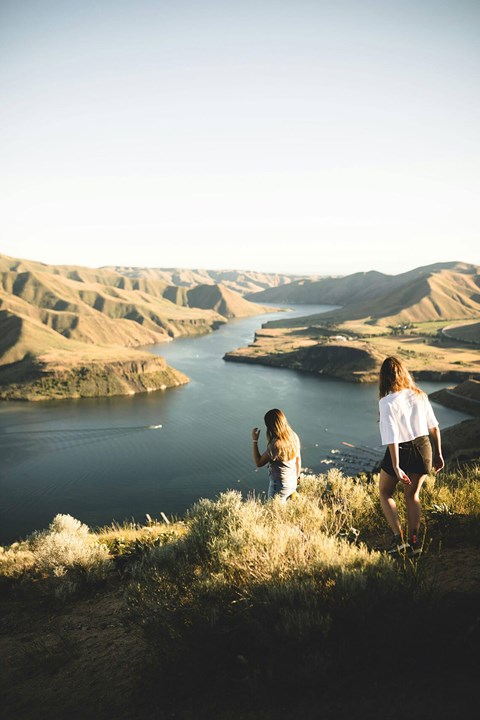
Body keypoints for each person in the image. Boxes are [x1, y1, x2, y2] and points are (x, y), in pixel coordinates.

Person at [378, 356, 444, 555]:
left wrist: (397, 466)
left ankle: (399, 540)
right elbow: (434, 428)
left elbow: (393, 436)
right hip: (424, 448)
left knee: (385, 492)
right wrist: (439, 454)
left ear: (384, 378)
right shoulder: (419, 395)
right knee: (412, 495)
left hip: (402, 450)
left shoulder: (386, 401)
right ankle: (414, 544)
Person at [252, 408, 301, 501]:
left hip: (279, 486)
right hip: (292, 482)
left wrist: (255, 441)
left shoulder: (275, 445)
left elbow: (258, 463)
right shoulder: (293, 436)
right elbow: (298, 461)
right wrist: (296, 480)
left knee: (273, 513)